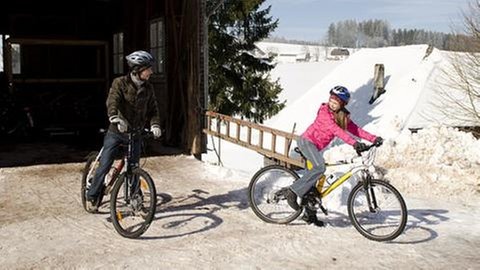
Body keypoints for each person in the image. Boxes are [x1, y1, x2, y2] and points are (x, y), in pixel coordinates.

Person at [285, 85, 383, 226]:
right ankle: (292, 191)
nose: (332, 103)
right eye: (331, 99)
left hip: (315, 147)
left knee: (315, 181)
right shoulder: (324, 112)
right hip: (307, 142)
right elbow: (336, 130)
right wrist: (354, 144)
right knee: (320, 168)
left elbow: (356, 129)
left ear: (341, 104)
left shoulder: (341, 116)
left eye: (336, 102)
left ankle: (309, 214)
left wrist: (373, 139)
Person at [86, 50, 161, 211]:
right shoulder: (119, 83)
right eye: (149, 69)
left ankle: (135, 198)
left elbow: (153, 109)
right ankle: (92, 194)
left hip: (135, 133)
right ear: (138, 69)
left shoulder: (148, 88)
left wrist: (155, 124)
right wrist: (114, 117)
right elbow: (112, 100)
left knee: (133, 168)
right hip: (117, 131)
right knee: (105, 164)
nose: (151, 72)